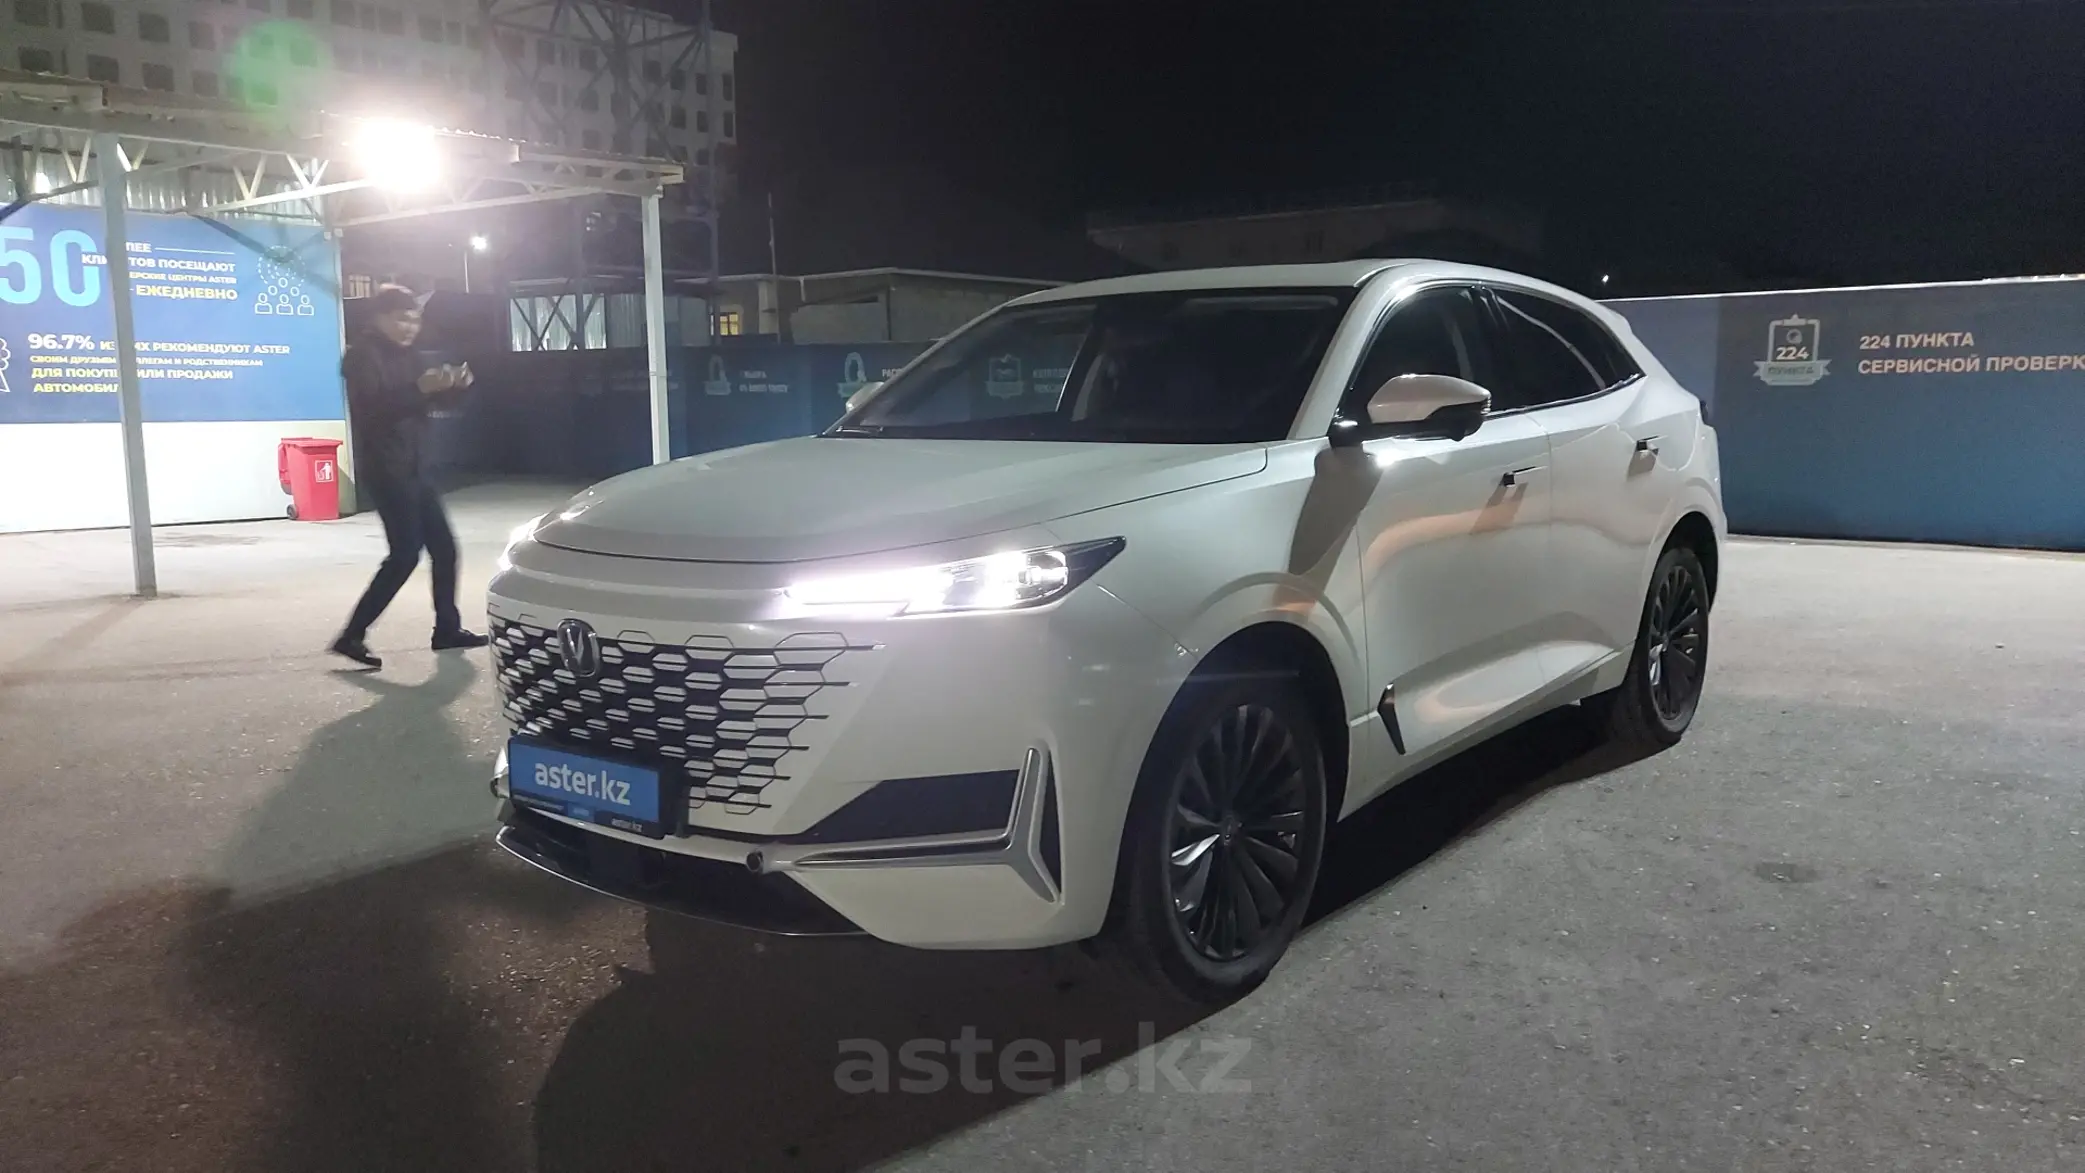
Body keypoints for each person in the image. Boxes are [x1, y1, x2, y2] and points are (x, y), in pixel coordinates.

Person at [331, 284, 488, 669]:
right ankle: (352, 635)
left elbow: (427, 401)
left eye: (415, 320)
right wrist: (419, 387)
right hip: (386, 468)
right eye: (402, 319)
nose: (409, 327)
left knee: (445, 549)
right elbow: (372, 408)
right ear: (380, 317)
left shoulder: (409, 355)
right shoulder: (361, 356)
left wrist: (455, 388)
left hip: (415, 466)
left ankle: (447, 629)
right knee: (404, 554)